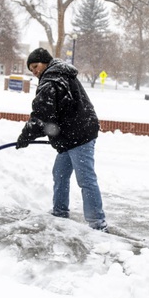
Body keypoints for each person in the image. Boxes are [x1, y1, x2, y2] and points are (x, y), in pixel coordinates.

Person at [16, 47, 107, 232]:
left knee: (86, 179)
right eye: (31, 69)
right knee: (60, 173)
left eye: (35, 66)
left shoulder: (52, 80)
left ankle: (98, 223)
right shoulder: (61, 74)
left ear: (45, 62)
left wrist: (25, 136)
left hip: (79, 136)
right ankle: (59, 212)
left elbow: (42, 116)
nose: (34, 71)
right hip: (71, 135)